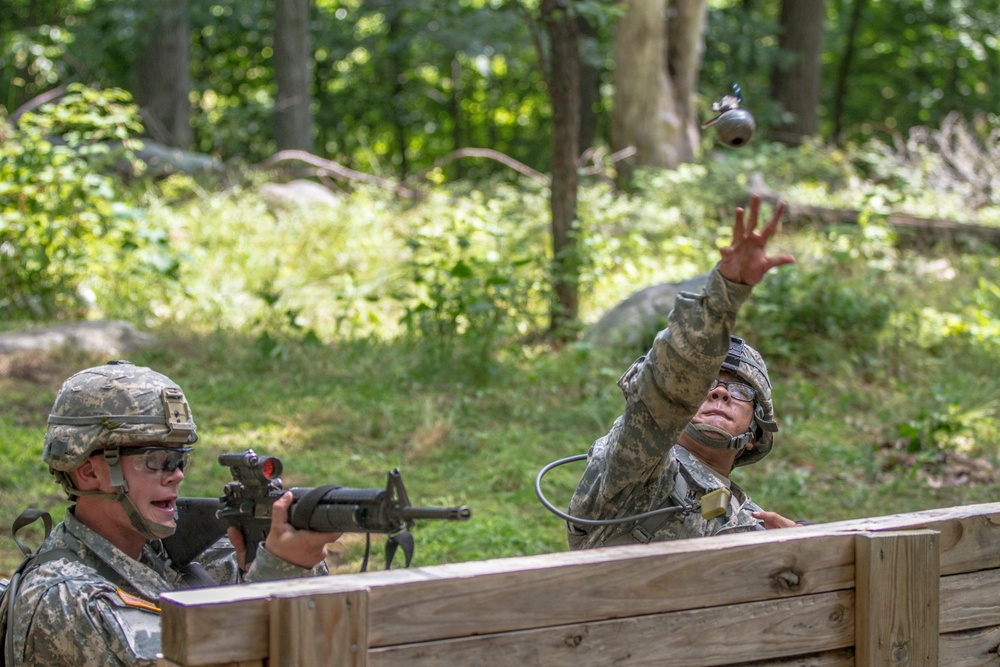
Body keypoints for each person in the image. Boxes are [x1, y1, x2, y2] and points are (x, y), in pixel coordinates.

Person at [3, 360, 341, 666]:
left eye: (179, 459)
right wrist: (279, 573)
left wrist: (286, 553)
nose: (176, 474)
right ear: (89, 472)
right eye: (155, 459)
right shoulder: (66, 599)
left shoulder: (174, 557)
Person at [567, 195, 799, 550]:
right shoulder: (640, 466)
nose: (720, 393)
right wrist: (723, 296)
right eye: (707, 383)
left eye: (740, 390)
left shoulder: (749, 517)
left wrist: (803, 536)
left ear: (754, 432)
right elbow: (668, 388)